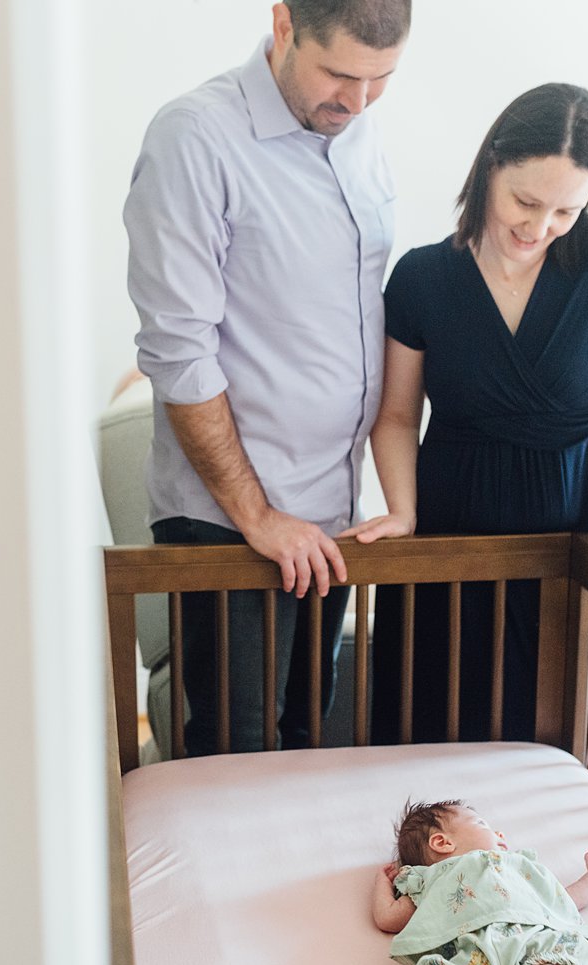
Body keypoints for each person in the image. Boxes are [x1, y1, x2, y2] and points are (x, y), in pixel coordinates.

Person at [341, 83, 588, 744]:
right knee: (434, 720)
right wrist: (404, 511)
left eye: (565, 210)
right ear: (490, 166)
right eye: (526, 201)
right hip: (451, 533)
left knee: (564, 729)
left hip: (577, 526)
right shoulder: (422, 277)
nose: (540, 226)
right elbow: (398, 415)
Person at [125, 1, 410, 755]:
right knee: (237, 751)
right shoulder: (195, 139)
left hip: (328, 513)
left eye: (381, 79)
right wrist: (258, 515)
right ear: (283, 26)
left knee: (304, 734)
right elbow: (179, 352)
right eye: (340, 75)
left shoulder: (357, 130)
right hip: (231, 518)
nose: (356, 101)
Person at [371, 799, 588, 965]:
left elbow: (563, 899)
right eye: (483, 825)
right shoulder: (430, 880)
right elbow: (388, 917)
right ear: (442, 842)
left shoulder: (514, 866)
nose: (500, 834)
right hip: (465, 955)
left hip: (526, 943)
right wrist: (382, 883)